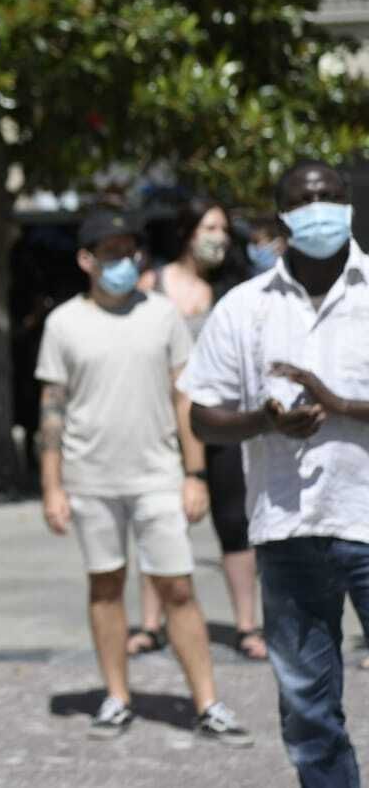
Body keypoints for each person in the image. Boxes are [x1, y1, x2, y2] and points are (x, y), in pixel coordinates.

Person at [181, 160, 369, 786]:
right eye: (306, 200)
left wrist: (340, 405)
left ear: (348, 204)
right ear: (283, 216)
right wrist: (263, 421)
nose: (321, 209)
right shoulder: (244, 308)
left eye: (331, 196)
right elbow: (204, 416)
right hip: (289, 530)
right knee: (309, 709)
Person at [36, 208, 251, 746]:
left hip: (158, 474)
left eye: (128, 251)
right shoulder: (63, 323)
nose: (122, 262)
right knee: (105, 585)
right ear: (86, 260)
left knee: (177, 586)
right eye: (109, 252)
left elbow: (185, 398)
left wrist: (194, 473)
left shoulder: (162, 315)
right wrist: (52, 486)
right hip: (90, 478)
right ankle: (117, 697)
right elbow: (52, 408)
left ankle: (208, 702)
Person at [129, 200, 264, 661]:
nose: (219, 237)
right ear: (187, 232)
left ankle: (246, 625)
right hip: (164, 423)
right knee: (160, 521)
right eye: (210, 227)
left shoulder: (234, 289)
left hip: (220, 419)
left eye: (223, 229)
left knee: (234, 521)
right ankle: (151, 624)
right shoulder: (152, 284)